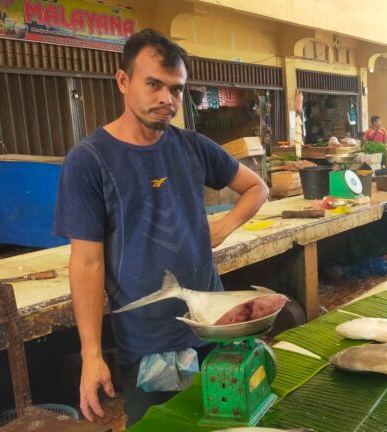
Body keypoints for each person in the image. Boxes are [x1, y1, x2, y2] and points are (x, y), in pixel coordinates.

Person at [52, 29, 269, 426]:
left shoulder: (192, 146)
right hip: (147, 344)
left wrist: (221, 228)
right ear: (123, 81)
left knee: (226, 422)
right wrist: (91, 354)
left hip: (214, 330)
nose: (166, 99)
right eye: (154, 84)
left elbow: (257, 188)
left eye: (176, 89)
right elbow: (85, 263)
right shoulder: (89, 160)